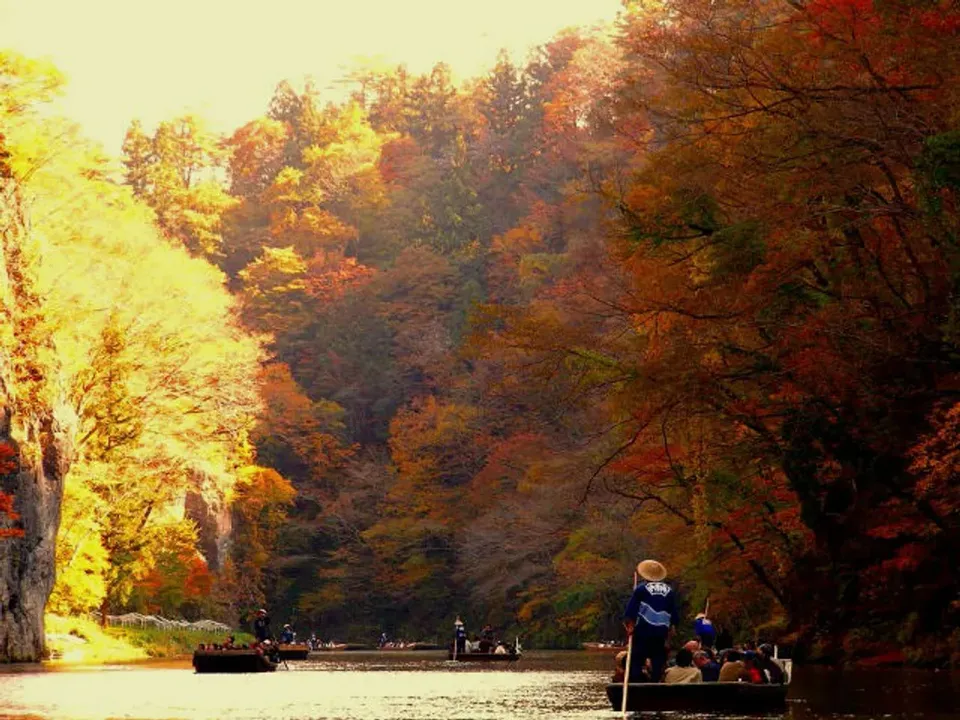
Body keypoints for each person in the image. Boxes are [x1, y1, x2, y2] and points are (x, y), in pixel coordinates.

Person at [623, 559, 679, 683]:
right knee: (658, 661)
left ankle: (636, 683)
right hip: (661, 632)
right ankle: (655, 683)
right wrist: (671, 631)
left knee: (636, 660)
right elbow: (673, 614)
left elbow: (631, 611)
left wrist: (630, 627)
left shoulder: (641, 589)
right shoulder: (669, 591)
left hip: (643, 630)